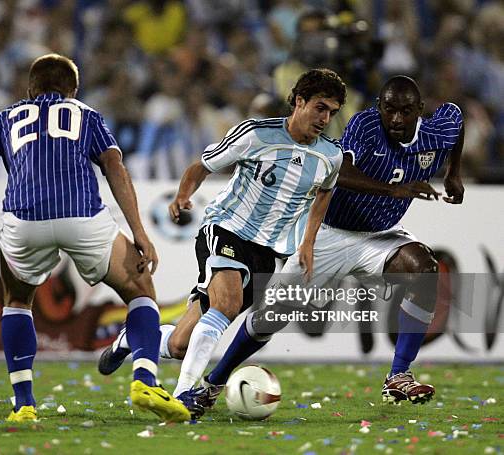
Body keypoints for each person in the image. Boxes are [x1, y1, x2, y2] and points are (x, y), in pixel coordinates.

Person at [0, 53, 190, 423]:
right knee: (139, 290)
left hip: (25, 222)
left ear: (29, 88)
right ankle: (145, 380)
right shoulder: (86, 115)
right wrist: (139, 232)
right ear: (73, 90)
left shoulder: (6, 117)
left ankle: (23, 404)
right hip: (82, 217)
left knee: (18, 301)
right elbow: (114, 166)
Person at [192, 75, 465, 412]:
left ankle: (399, 375)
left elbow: (456, 119)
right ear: (379, 107)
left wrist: (453, 174)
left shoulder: (439, 130)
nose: (395, 119)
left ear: (419, 110)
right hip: (328, 233)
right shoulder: (366, 125)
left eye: (405, 111)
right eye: (389, 110)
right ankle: (213, 382)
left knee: (424, 269)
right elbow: (341, 174)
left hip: (380, 236)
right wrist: (395, 190)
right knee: (270, 317)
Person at [98, 68, 347, 417]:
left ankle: (130, 339)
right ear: (299, 101)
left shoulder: (330, 156)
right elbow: (202, 164)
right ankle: (183, 395)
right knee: (227, 303)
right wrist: (183, 195)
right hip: (226, 228)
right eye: (320, 107)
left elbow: (324, 194)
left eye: (332, 112)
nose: (325, 118)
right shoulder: (256, 134)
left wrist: (307, 241)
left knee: (181, 343)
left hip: (270, 253)